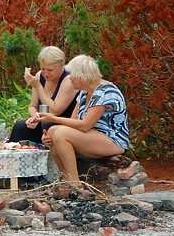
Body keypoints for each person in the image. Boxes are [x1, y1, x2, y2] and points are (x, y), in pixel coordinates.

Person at [38, 54, 129, 186]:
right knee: (52, 131)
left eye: (72, 75)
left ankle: (75, 184)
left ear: (81, 76)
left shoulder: (105, 92)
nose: (69, 78)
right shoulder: (84, 92)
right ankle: (65, 180)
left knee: (60, 133)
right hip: (91, 136)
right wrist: (49, 133)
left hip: (112, 140)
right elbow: (72, 122)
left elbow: (85, 125)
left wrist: (54, 118)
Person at [8, 46, 78, 145]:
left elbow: (55, 110)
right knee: (20, 127)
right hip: (43, 122)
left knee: (47, 125)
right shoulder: (39, 76)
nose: (45, 73)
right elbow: (33, 106)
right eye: (43, 68)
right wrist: (35, 118)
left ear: (61, 66)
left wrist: (38, 86)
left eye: (50, 70)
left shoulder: (69, 79)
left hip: (62, 124)